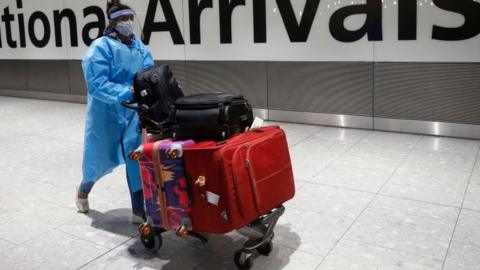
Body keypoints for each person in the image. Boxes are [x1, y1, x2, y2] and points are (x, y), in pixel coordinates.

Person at [76, 0, 154, 224]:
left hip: (133, 113)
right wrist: (126, 92)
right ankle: (83, 191)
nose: (128, 23)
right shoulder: (99, 48)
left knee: (135, 157)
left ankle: (138, 211)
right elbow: (97, 83)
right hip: (106, 115)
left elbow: (149, 70)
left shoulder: (138, 46)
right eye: (122, 20)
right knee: (97, 159)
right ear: (112, 22)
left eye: (130, 19)